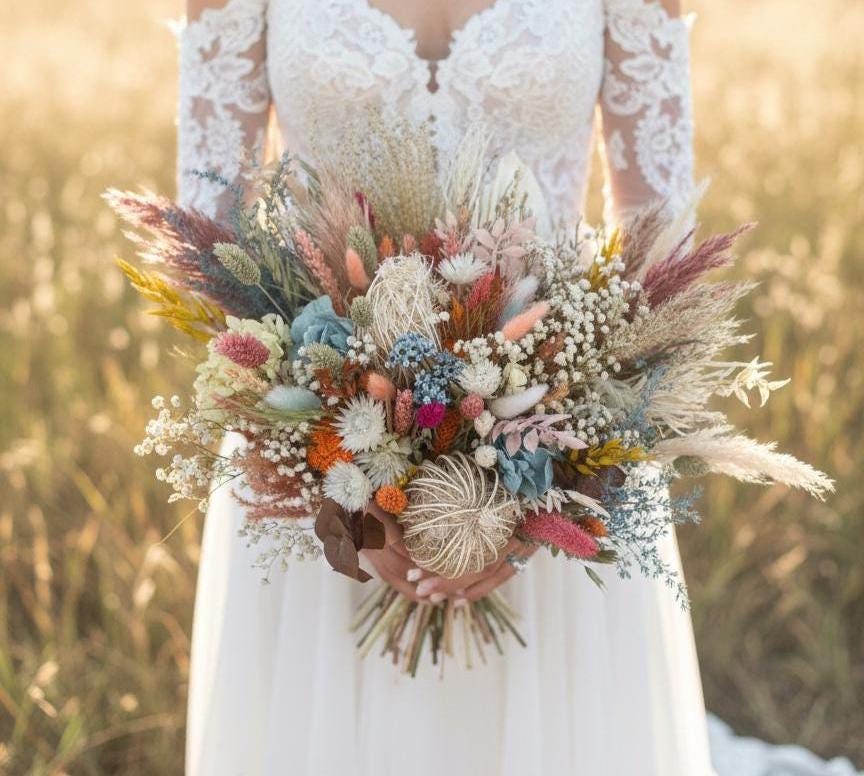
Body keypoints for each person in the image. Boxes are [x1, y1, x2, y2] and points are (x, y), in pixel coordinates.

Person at [179, 1, 714, 774]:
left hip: (557, 444)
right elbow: (213, 242)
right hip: (317, 466)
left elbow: (660, 241)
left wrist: (548, 494)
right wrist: (338, 481)